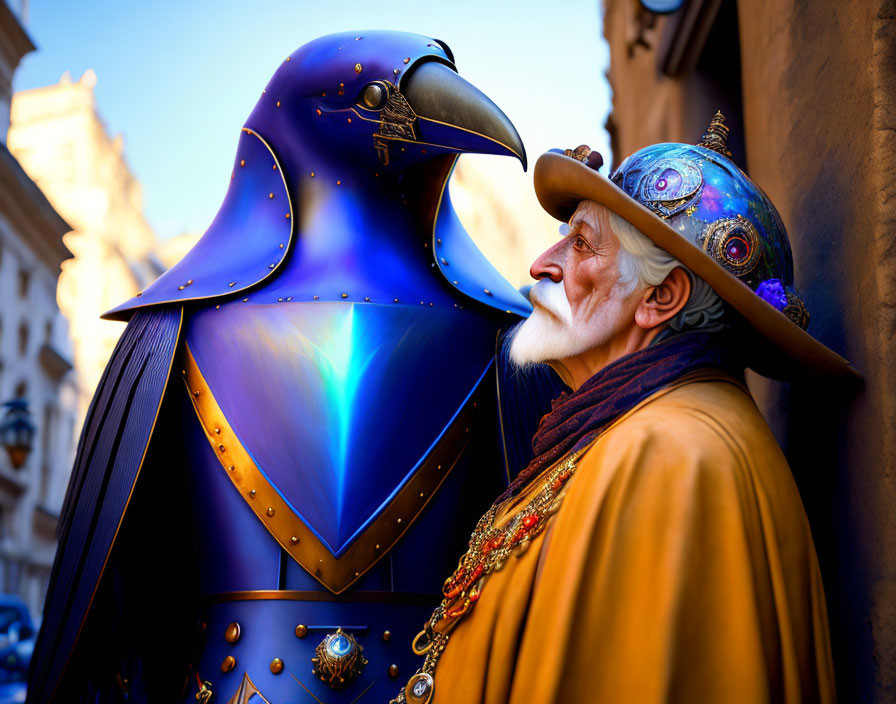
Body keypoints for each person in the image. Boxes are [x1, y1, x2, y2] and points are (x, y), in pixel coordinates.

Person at [393, 114, 858, 704]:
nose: (542, 264)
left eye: (581, 243)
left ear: (660, 299)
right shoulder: (646, 428)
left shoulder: (670, 453)